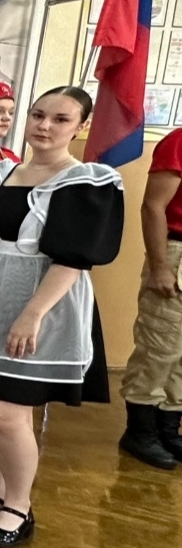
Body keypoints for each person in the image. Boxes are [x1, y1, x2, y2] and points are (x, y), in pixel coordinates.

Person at [0, 87, 123, 548]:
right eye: (38, 115)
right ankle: (0, 492)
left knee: (7, 410)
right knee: (3, 406)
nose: (45, 126)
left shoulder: (85, 180)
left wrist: (33, 314)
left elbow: (74, 259)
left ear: (81, 126)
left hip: (44, 301)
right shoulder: (11, 171)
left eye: (61, 119)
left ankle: (19, 506)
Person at [118, 122, 182, 469]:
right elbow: (153, 206)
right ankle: (140, 431)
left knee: (181, 355)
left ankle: (168, 430)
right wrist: (159, 265)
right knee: (160, 346)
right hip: (175, 252)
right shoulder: (179, 141)